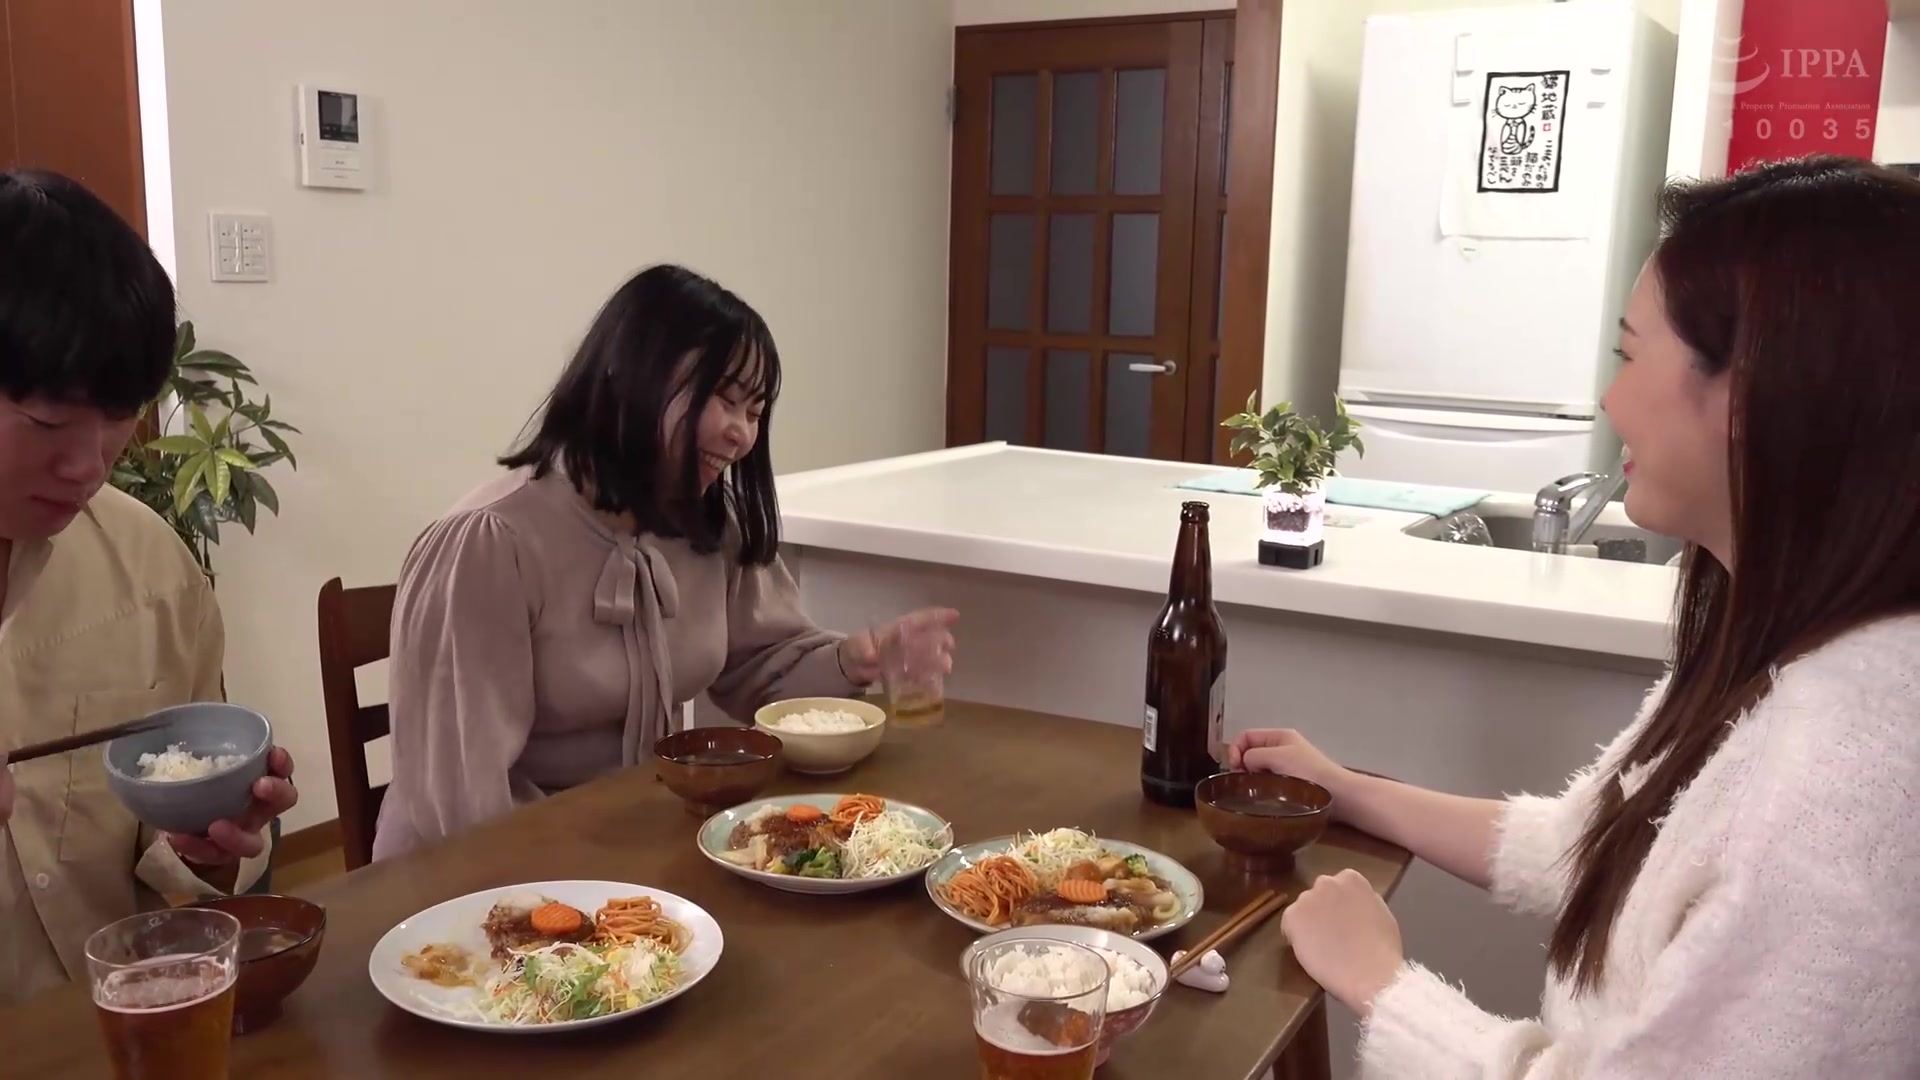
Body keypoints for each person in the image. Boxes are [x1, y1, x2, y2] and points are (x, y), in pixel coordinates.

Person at [1233, 156, 1920, 1078]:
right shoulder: (1786, 644)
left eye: (1631, 356)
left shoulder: (1841, 775)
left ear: (1758, 391)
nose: (1610, 399)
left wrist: (1383, 984)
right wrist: (1346, 788)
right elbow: (1587, 848)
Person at [374, 264, 957, 858]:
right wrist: (599, 882)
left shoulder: (707, 523)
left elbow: (763, 666)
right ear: (631, 377)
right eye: (724, 399)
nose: (742, 434)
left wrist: (857, 657)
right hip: (488, 874)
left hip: (641, 838)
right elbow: (461, 800)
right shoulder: (489, 542)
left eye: (755, 411)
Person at [0, 170, 299, 1004]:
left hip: (128, 1023)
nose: (89, 463)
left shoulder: (149, 568)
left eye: (119, 416)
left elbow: (180, 872)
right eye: (50, 422)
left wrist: (209, 847)